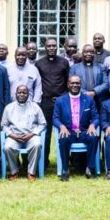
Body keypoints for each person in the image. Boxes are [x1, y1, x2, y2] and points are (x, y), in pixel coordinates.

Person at [53, 74, 99, 181]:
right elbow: (55, 118)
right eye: (72, 83)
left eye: (77, 83)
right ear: (68, 84)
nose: (75, 85)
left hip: (84, 131)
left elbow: (96, 117)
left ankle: (90, 169)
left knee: (93, 138)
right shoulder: (60, 100)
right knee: (63, 139)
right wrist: (61, 126)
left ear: (80, 85)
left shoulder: (88, 100)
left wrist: (93, 125)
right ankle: (65, 170)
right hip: (69, 132)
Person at [36, 38, 70, 169]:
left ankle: (66, 161)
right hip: (46, 103)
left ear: (58, 47)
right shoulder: (39, 64)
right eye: (48, 46)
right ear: (45, 47)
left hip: (62, 102)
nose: (51, 48)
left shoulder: (64, 62)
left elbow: (68, 82)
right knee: (46, 133)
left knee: (65, 129)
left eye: (53, 46)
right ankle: (44, 162)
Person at [0, 84, 46, 180]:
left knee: (37, 144)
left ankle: (31, 172)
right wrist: (13, 135)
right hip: (14, 136)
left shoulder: (35, 107)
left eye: (24, 92)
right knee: (7, 147)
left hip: (31, 136)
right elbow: (3, 125)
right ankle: (14, 171)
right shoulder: (9, 107)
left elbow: (43, 124)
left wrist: (31, 134)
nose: (22, 94)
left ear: (28, 94)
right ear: (16, 94)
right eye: (19, 92)